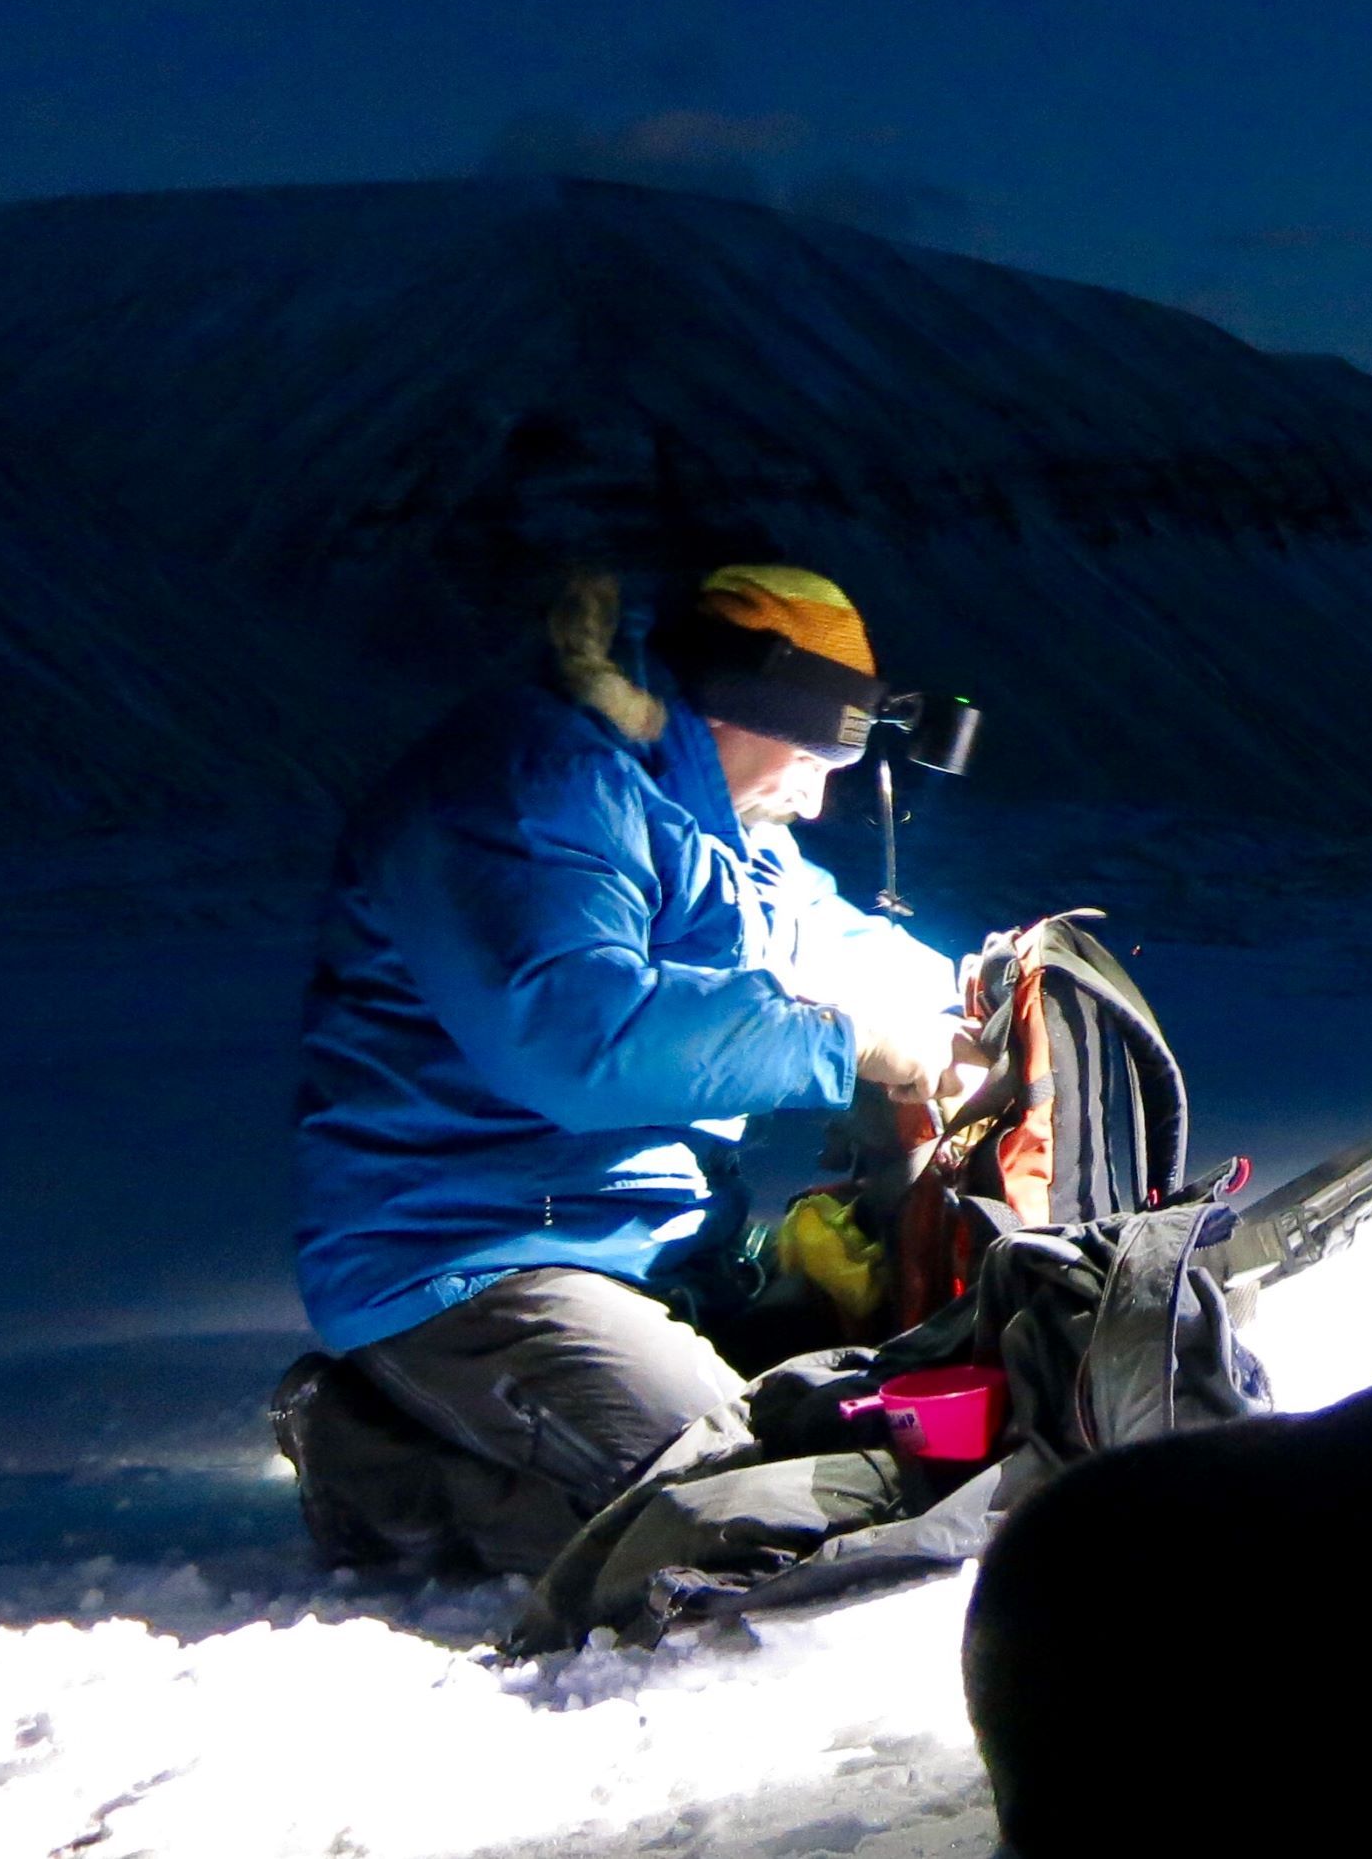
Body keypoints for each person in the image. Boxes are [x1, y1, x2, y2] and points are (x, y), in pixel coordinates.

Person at [270, 564, 974, 1576]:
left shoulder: (711, 820)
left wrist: (964, 1003)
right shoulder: (524, 787)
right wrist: (843, 1042)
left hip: (651, 1243)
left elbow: (822, 936)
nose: (820, 798)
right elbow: (574, 1039)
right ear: (738, 707)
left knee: (880, 1411)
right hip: (474, 1254)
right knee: (753, 1513)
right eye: (823, 750)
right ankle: (379, 1468)